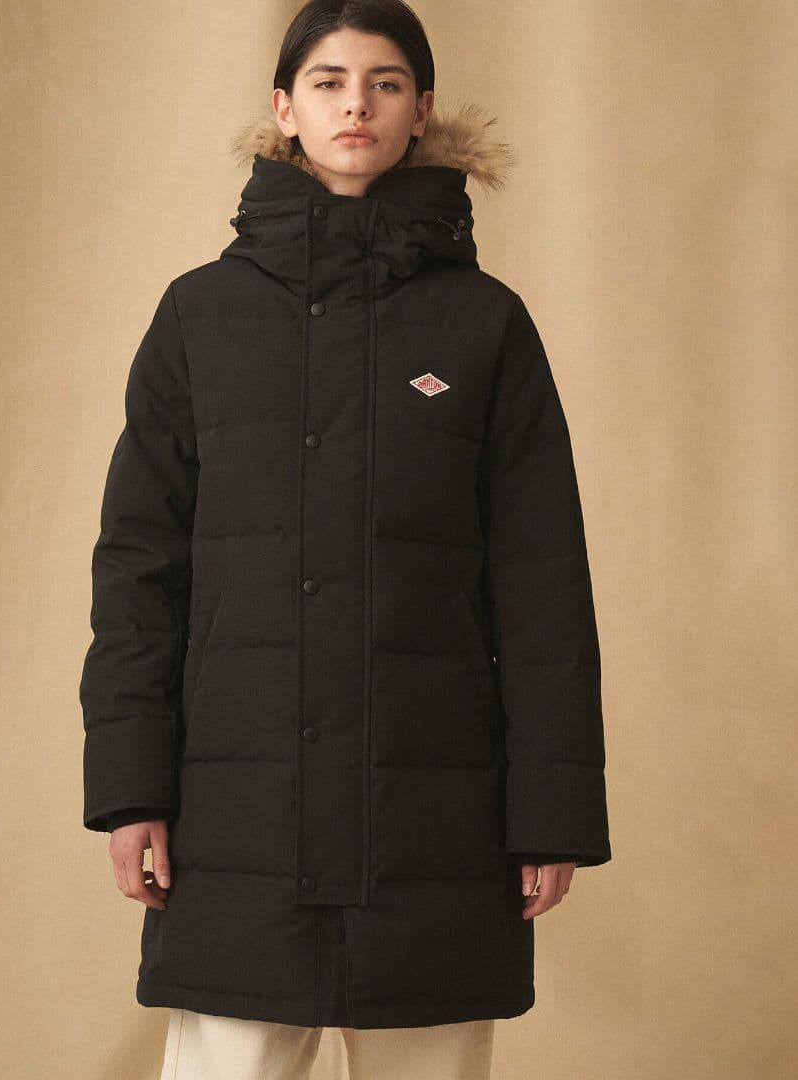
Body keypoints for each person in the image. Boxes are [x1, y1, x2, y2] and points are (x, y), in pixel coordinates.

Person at [79, 1, 612, 1077]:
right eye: (328, 81)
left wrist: (549, 812)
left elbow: (543, 581)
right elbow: (140, 568)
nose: (356, 104)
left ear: (422, 110)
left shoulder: (485, 324)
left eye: (385, 82)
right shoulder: (198, 318)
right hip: (238, 818)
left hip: (435, 813)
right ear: (285, 108)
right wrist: (131, 789)